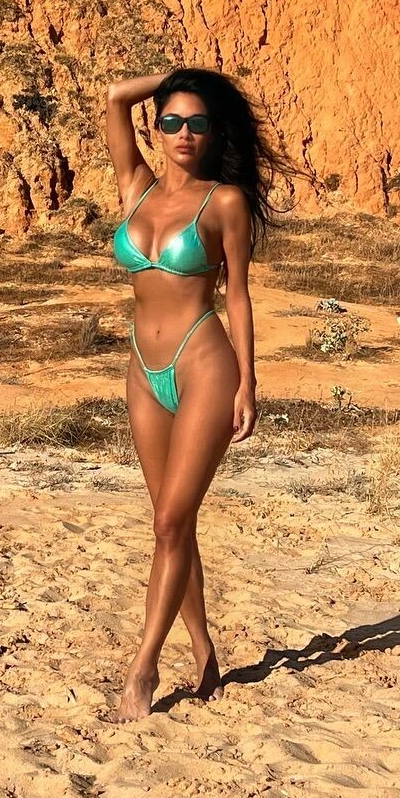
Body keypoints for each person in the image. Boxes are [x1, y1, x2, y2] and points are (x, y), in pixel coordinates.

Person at [104, 67, 297, 721]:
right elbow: (114, 97)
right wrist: (181, 79)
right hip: (142, 368)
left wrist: (248, 381)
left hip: (204, 364)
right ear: (156, 129)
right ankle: (204, 648)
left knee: (169, 523)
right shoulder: (135, 187)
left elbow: (238, 295)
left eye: (197, 122)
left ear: (214, 134)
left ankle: (143, 668)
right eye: (171, 121)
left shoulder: (224, 203)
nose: (184, 133)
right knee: (171, 522)